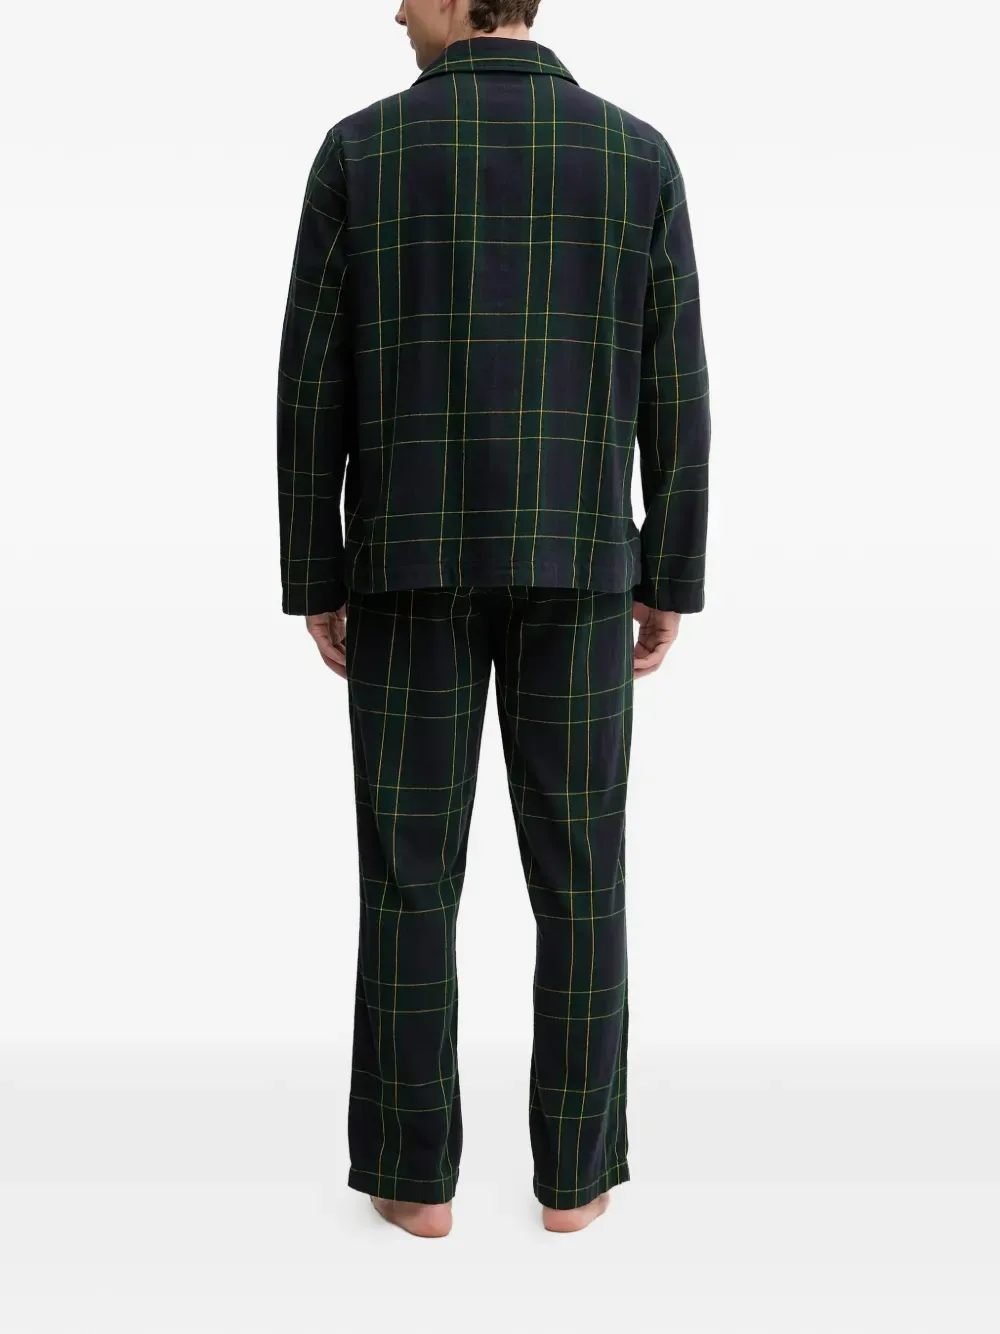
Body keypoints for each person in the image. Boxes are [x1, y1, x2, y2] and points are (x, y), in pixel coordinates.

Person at [276, 0, 710, 1238]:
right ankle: (575, 1178)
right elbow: (676, 376)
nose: (392, 9)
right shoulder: (634, 154)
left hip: (406, 564)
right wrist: (667, 570)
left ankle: (414, 1179)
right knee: (584, 878)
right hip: (581, 562)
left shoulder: (362, 150)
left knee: (409, 876)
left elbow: (310, 381)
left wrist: (317, 569)